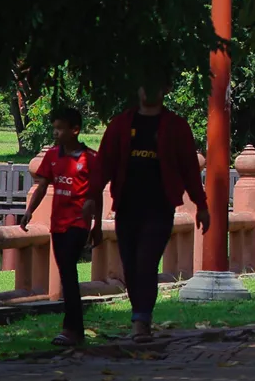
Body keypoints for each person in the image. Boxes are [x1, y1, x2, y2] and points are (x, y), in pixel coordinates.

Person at [96, 82, 210, 342]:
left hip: (160, 207)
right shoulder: (120, 125)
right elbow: (104, 164)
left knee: (146, 263)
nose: (148, 89)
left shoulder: (176, 127)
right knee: (130, 265)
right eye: (144, 83)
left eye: (154, 83)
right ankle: (139, 313)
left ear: (164, 89)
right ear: (137, 88)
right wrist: (91, 198)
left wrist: (201, 205)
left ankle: (141, 321)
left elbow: (189, 170)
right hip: (127, 205)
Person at [25, 106, 103, 348]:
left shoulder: (90, 159)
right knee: (66, 274)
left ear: (75, 130)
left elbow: (96, 194)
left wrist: (98, 225)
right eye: (54, 128)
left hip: (78, 223)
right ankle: (75, 329)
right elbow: (42, 186)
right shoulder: (52, 156)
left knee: (68, 271)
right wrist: (29, 211)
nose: (56, 133)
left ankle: (71, 329)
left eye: (60, 129)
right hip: (57, 224)